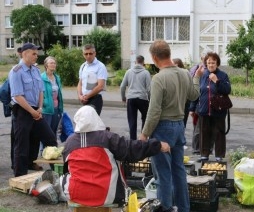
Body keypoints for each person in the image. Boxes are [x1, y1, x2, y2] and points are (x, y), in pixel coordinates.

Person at [60, 105, 170, 207]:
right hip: (107, 195)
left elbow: (66, 169)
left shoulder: (70, 142)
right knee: (117, 159)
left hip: (77, 194)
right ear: (96, 118)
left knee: (62, 177)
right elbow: (132, 148)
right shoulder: (107, 138)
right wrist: (157, 145)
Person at [139, 40, 200, 212]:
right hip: (179, 125)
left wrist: (144, 134)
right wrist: (196, 78)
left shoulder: (158, 78)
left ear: (154, 57)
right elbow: (194, 95)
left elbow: (154, 111)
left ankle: (165, 208)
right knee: (179, 172)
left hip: (162, 128)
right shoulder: (184, 73)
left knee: (163, 175)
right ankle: (183, 208)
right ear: (169, 53)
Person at [9, 43, 57, 177]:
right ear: (25, 54)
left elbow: (40, 91)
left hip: (36, 110)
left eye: (37, 54)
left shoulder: (36, 70)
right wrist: (32, 111)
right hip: (23, 111)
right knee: (22, 145)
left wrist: (40, 108)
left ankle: (57, 172)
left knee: (50, 139)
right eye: (34, 54)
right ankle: (20, 177)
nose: (37, 56)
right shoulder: (16, 71)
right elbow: (17, 95)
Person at [192, 52, 231, 162]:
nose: (211, 65)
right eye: (208, 62)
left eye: (213, 62)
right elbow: (196, 92)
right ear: (206, 63)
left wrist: (217, 81)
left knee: (219, 133)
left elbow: (227, 90)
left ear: (217, 63)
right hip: (204, 109)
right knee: (204, 133)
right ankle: (204, 154)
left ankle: (219, 155)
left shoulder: (222, 75)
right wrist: (192, 108)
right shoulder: (202, 75)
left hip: (218, 109)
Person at [120, 55, 151, 140]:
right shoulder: (146, 73)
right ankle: (143, 138)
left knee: (132, 120)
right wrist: (150, 99)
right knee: (145, 118)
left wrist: (123, 97)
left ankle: (133, 141)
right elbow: (149, 89)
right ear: (143, 62)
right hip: (142, 98)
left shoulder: (129, 72)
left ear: (135, 62)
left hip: (131, 98)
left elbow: (122, 86)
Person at [77, 44, 108, 116]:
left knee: (92, 123)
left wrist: (87, 96)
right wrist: (80, 96)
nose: (88, 56)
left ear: (95, 53)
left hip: (95, 99)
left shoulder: (100, 66)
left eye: (90, 53)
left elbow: (100, 86)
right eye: (86, 54)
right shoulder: (83, 66)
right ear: (83, 54)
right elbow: (80, 83)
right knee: (85, 123)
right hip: (85, 99)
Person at [41, 56, 63, 148]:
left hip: (56, 108)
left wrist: (60, 107)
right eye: (51, 63)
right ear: (46, 65)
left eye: (54, 63)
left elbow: (59, 94)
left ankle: (53, 148)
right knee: (45, 130)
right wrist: (44, 103)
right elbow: (40, 93)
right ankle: (44, 150)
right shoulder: (42, 77)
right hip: (46, 109)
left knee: (54, 130)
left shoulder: (57, 78)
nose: (53, 65)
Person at [189, 55, 206, 155]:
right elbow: (195, 91)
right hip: (199, 106)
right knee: (198, 129)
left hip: (210, 107)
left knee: (209, 130)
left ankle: (207, 148)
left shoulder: (214, 72)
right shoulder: (198, 71)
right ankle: (196, 148)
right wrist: (192, 108)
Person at [172, 58, 190, 128]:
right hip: (186, 100)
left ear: (177, 65)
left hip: (178, 100)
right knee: (183, 122)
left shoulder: (177, 73)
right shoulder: (187, 72)